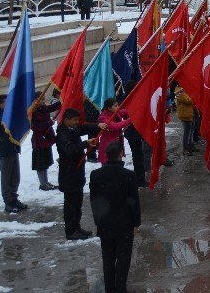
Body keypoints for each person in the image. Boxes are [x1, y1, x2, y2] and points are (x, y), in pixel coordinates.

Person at [89, 140, 141, 293]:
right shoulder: (129, 175)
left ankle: (109, 288)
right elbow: (134, 202)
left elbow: (94, 200)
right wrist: (136, 223)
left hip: (105, 222)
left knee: (108, 257)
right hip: (124, 224)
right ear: (120, 155)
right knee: (123, 257)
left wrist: (98, 220)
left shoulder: (96, 175)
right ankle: (120, 287)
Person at [57, 107, 105, 239]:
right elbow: (70, 149)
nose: (77, 122)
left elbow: (84, 128)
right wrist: (85, 144)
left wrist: (98, 125)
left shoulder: (72, 128)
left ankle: (76, 227)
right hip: (68, 174)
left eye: (78, 119)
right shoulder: (62, 133)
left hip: (76, 172)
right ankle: (71, 231)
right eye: (75, 120)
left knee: (77, 203)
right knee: (71, 204)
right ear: (67, 120)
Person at [0, 95, 28, 213]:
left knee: (15, 177)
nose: (9, 104)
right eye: (7, 102)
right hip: (4, 150)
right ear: (0, 104)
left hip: (13, 148)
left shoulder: (8, 113)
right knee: (6, 178)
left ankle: (14, 198)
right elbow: (6, 122)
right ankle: (8, 202)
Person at [29, 89, 62, 191]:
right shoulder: (32, 112)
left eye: (43, 99)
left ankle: (46, 182)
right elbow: (35, 127)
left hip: (46, 139)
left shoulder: (43, 108)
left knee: (46, 162)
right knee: (40, 163)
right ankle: (42, 183)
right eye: (41, 99)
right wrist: (49, 123)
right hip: (39, 140)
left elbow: (52, 107)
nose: (43, 101)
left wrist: (62, 101)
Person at [97, 98, 132, 164]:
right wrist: (129, 120)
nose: (118, 107)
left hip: (116, 146)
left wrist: (133, 110)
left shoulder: (115, 112)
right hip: (108, 147)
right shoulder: (103, 117)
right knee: (108, 168)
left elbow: (125, 111)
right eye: (115, 106)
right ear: (109, 108)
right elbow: (114, 126)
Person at [175, 86, 196, 155]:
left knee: (191, 132)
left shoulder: (185, 90)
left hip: (190, 114)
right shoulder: (179, 91)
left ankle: (191, 146)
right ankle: (186, 149)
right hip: (185, 115)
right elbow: (188, 101)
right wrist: (194, 96)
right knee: (187, 133)